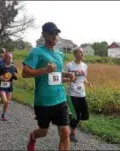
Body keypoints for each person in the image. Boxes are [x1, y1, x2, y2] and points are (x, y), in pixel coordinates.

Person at [21, 22, 75, 151]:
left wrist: (68, 76)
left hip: (60, 99)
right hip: (43, 101)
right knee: (43, 132)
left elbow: (56, 76)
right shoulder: (36, 52)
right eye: (51, 33)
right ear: (44, 34)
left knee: (65, 132)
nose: (54, 36)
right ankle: (33, 136)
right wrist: (45, 70)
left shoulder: (59, 55)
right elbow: (25, 73)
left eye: (56, 33)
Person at [64, 47, 92, 142]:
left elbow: (84, 78)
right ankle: (72, 133)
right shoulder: (69, 65)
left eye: (82, 52)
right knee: (76, 115)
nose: (81, 54)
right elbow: (63, 78)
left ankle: (69, 119)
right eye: (79, 52)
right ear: (75, 54)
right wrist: (70, 79)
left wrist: (88, 82)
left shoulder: (84, 66)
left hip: (81, 93)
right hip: (71, 93)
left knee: (83, 115)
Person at [0, 52, 18, 121]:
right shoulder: (1, 67)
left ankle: (3, 114)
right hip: (2, 87)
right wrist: (0, 76)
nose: (10, 60)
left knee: (7, 102)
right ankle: (0, 101)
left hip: (9, 87)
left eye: (11, 58)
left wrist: (15, 77)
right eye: (9, 58)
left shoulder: (13, 68)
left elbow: (15, 76)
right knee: (6, 101)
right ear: (5, 59)